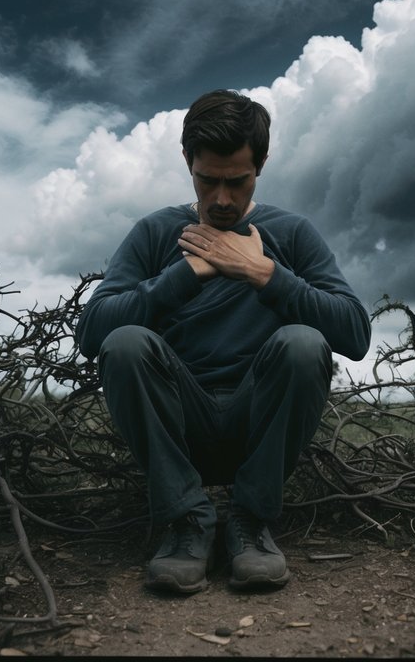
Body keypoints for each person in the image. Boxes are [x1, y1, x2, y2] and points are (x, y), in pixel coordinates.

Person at [76, 89, 371, 593]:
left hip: (256, 428)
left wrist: (263, 273)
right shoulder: (153, 233)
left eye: (238, 182)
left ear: (261, 165)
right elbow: (91, 332)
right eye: (207, 180)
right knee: (124, 342)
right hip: (180, 427)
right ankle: (187, 520)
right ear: (187, 161)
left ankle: (250, 521)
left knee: (303, 342)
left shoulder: (293, 233)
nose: (221, 199)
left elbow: (355, 333)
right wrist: (186, 273)